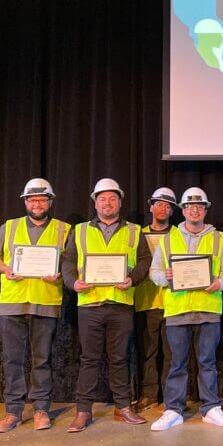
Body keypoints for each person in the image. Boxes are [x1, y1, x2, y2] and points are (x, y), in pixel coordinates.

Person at [61, 178, 151, 432]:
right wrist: (73, 282)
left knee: (120, 359)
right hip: (89, 304)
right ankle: (83, 412)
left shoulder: (134, 231)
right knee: (89, 358)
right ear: (95, 202)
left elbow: (145, 260)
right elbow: (68, 260)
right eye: (102, 199)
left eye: (112, 198)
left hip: (121, 304)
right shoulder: (79, 230)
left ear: (120, 202)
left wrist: (133, 279)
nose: (107, 203)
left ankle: (123, 408)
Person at [0, 178, 71, 433]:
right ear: (25, 201)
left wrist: (60, 274)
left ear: (50, 202)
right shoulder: (9, 227)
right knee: (12, 360)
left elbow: (70, 264)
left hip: (45, 302)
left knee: (41, 360)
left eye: (42, 199)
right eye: (32, 199)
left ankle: (41, 409)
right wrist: (7, 269)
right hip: (12, 303)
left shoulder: (64, 229)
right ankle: (13, 411)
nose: (37, 204)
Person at [147, 187, 223, 430]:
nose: (194, 210)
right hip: (178, 310)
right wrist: (165, 277)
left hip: (208, 308)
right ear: (182, 210)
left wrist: (219, 283)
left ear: (205, 209)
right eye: (189, 206)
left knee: (208, 361)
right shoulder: (167, 239)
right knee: (177, 363)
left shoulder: (218, 238)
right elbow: (154, 272)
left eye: (199, 206)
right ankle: (173, 409)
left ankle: (210, 408)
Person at [131, 187, 176, 413]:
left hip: (173, 302)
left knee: (171, 353)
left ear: (172, 210)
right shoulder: (138, 234)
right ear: (150, 207)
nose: (162, 208)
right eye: (158, 203)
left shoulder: (178, 235)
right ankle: (149, 394)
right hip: (145, 301)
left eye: (167, 205)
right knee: (148, 351)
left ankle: (170, 396)